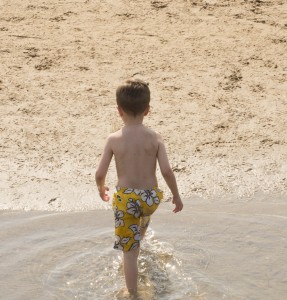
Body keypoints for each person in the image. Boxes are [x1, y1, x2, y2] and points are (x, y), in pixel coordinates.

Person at [95, 79, 183, 296]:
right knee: (141, 216)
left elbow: (99, 173)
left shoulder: (114, 139)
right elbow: (166, 171)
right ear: (147, 110)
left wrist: (101, 187)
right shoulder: (155, 138)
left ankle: (132, 292)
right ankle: (139, 237)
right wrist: (176, 196)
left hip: (126, 200)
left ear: (119, 111)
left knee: (129, 253)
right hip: (150, 199)